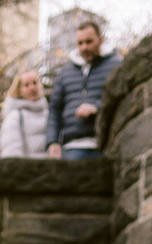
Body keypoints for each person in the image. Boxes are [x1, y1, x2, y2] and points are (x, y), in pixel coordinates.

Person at [46, 17, 121, 161]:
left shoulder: (116, 65)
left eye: (89, 42)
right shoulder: (65, 72)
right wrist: (52, 142)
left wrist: (97, 108)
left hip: (104, 145)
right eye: (80, 43)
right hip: (71, 148)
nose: (83, 47)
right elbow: (54, 109)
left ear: (101, 39)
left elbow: (121, 98)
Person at [0, 68, 49, 158]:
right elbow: (11, 150)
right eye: (26, 85)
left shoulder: (48, 113)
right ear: (19, 90)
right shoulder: (15, 116)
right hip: (28, 169)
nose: (32, 87)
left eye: (35, 83)